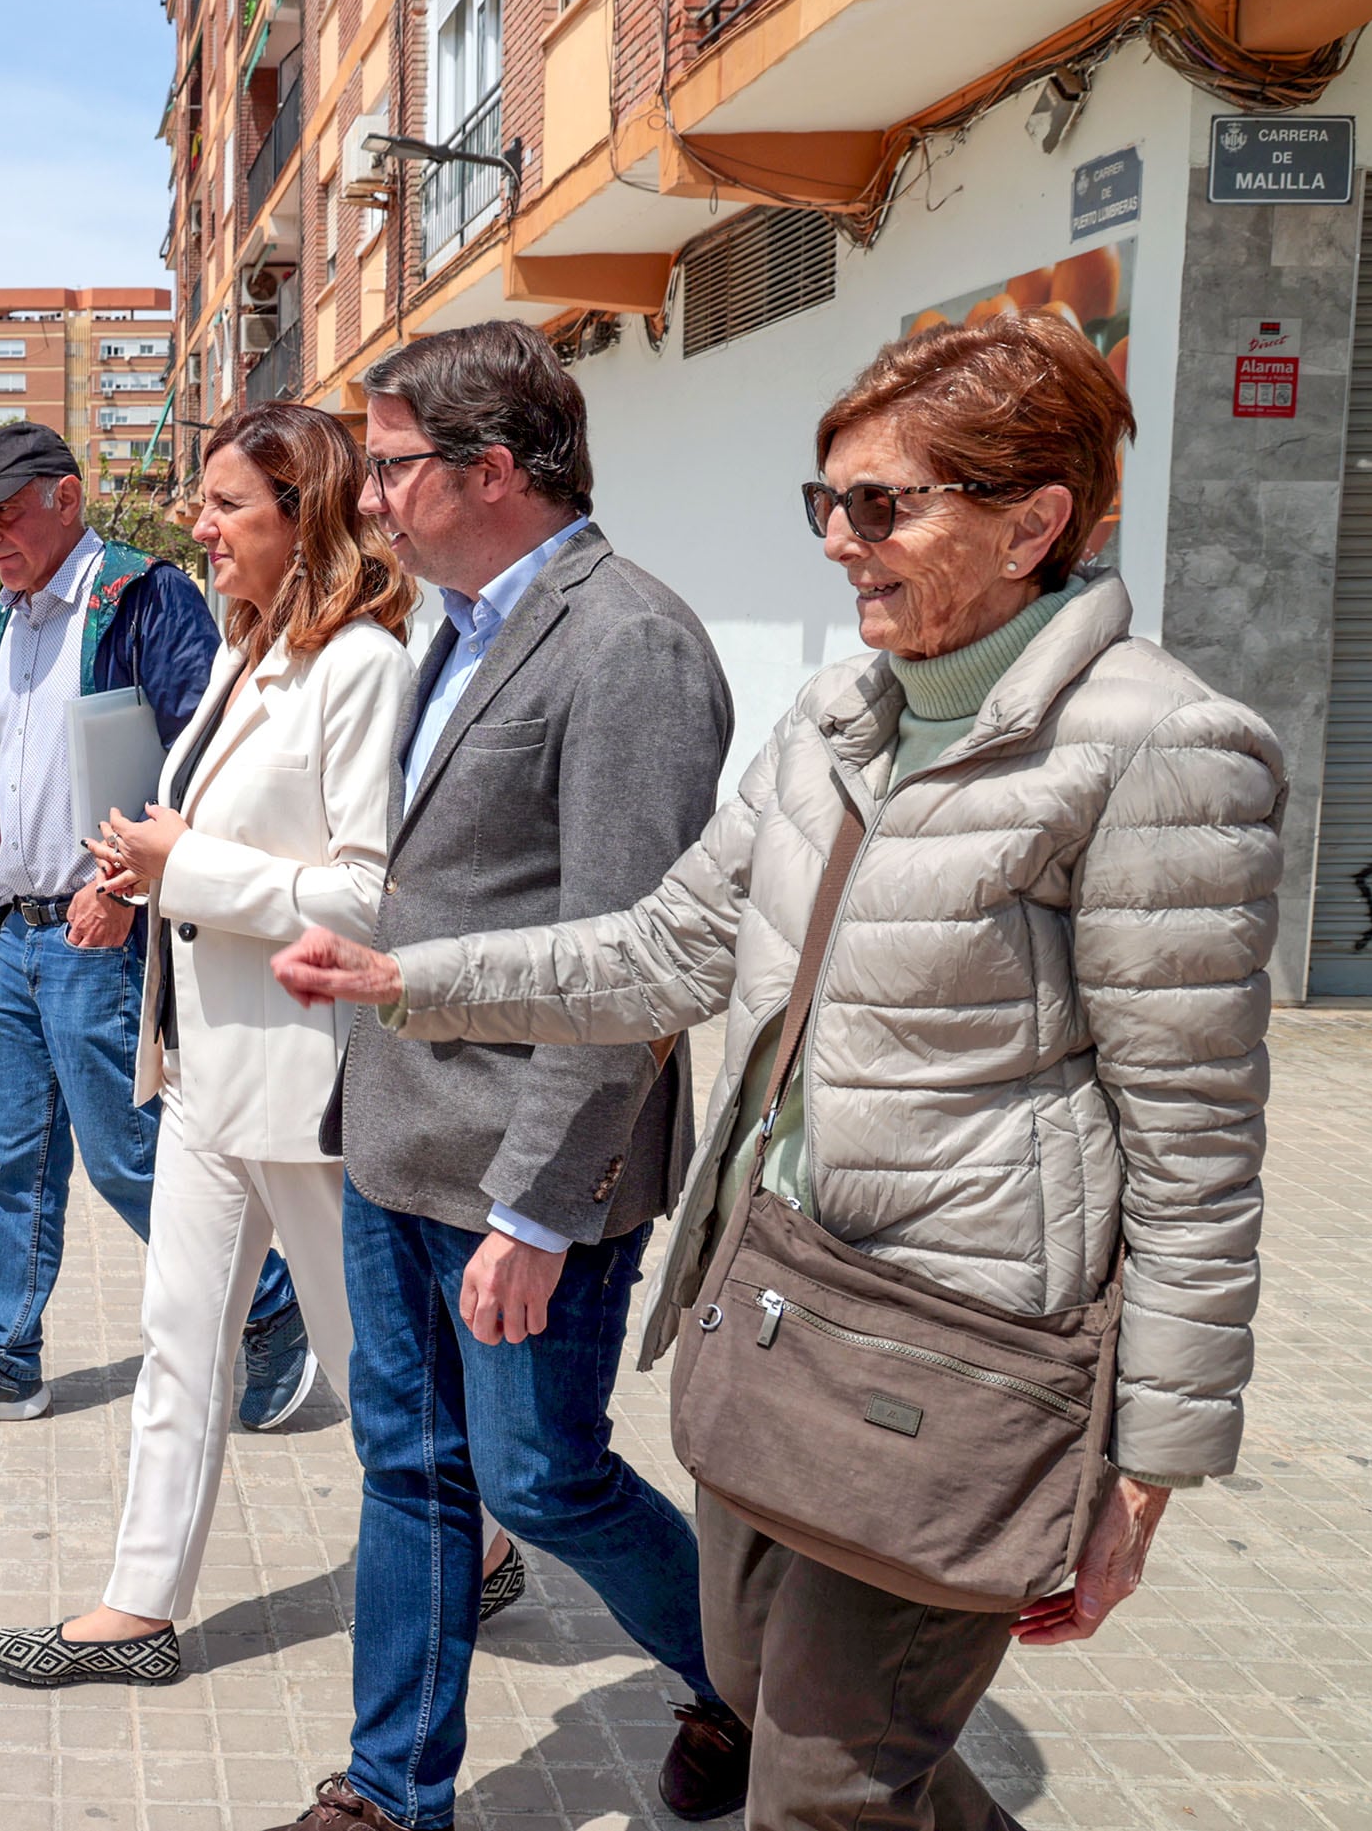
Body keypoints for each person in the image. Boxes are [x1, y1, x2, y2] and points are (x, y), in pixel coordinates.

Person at [275, 310, 1280, 1830]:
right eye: (827, 502)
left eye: (884, 505)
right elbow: (661, 948)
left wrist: (1149, 1463)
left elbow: (1196, 1149)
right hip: (781, 1308)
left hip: (960, 1355)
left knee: (820, 1779)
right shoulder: (834, 719)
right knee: (761, 1693)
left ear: (1034, 524)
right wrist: (409, 980)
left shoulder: (1164, 749)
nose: (839, 542)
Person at [262, 323, 744, 1831]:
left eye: (394, 466)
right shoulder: (455, 623)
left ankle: (749, 1682)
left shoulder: (629, 646)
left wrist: (538, 1210)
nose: (372, 497)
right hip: (403, 1138)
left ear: (488, 470)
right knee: (407, 1468)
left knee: (538, 1479)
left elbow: (627, 960)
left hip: (532, 1166)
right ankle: (392, 1792)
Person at [0, 403, 412, 1687]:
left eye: (226, 506)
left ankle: (478, 1546)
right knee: (178, 1339)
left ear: (303, 515)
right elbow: (203, 842)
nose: (196, 527)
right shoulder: (241, 649)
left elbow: (369, 901)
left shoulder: (363, 667)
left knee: (366, 1371)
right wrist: (149, 864)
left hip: (304, 1082)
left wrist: (188, 868)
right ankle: (138, 1607)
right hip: (206, 1066)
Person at [0, 422, 318, 1429]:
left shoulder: (140, 598)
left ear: (66, 499)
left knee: (129, 1155)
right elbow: (3, 781)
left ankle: (275, 1309)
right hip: (24, 930)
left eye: (5, 512)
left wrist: (123, 892)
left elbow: (200, 764)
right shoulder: (1, 622)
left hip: (101, 934)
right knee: (17, 1158)